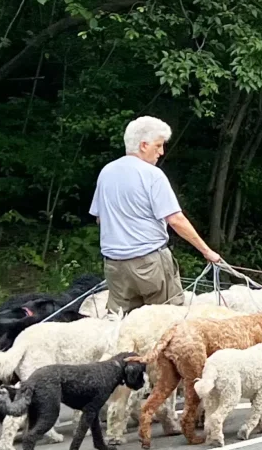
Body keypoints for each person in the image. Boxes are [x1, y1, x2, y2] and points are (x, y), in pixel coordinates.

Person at [88, 115, 220, 314]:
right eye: (158, 146)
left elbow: (100, 218)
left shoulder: (106, 172)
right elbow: (175, 219)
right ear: (143, 145)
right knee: (165, 321)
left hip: (114, 266)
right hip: (149, 263)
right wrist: (207, 251)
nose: (161, 152)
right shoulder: (152, 174)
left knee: (122, 324)